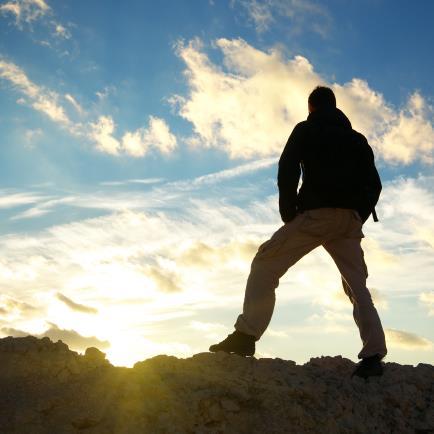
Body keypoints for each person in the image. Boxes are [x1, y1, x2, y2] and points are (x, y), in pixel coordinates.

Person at [209, 86, 387, 379]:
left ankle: (246, 335)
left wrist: (288, 211)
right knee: (357, 287)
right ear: (335, 106)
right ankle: (373, 355)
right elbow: (374, 184)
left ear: (312, 107)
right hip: (349, 222)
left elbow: (287, 167)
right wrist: (358, 215)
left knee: (266, 263)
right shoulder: (357, 139)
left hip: (316, 214)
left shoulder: (307, 128)